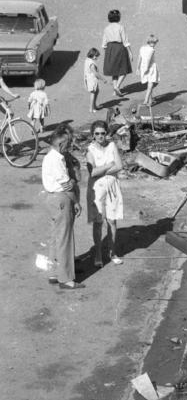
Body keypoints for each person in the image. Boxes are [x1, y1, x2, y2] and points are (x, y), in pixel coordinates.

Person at [42, 125, 82, 289]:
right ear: (61, 144)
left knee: (55, 237)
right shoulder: (57, 159)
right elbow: (67, 186)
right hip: (61, 199)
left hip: (50, 199)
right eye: (68, 143)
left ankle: (54, 272)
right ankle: (65, 278)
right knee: (65, 238)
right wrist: (76, 202)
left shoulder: (49, 157)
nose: (70, 146)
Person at [85, 119, 124, 267]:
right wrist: (109, 165)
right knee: (98, 222)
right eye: (97, 134)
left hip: (112, 188)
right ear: (93, 135)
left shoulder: (112, 145)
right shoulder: (90, 150)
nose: (100, 136)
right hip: (97, 189)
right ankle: (98, 254)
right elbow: (92, 172)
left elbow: (120, 165)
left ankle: (112, 252)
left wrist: (101, 169)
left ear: (106, 133)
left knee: (112, 221)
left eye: (103, 133)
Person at [101, 9, 131, 98]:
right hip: (119, 48)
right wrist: (130, 52)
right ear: (118, 18)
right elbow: (125, 41)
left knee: (114, 72)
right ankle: (117, 87)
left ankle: (115, 89)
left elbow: (104, 43)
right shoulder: (120, 27)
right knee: (123, 70)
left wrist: (107, 54)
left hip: (110, 49)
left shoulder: (106, 28)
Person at [137, 35, 159, 107]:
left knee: (149, 83)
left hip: (143, 67)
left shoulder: (142, 48)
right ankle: (146, 100)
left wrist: (138, 68)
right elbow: (148, 60)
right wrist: (146, 69)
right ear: (152, 42)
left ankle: (150, 101)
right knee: (151, 84)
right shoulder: (152, 50)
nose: (155, 44)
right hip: (150, 68)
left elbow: (139, 57)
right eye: (155, 43)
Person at [84, 48, 103, 112]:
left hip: (88, 79)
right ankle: (91, 108)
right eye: (96, 56)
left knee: (96, 91)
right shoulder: (91, 64)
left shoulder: (87, 60)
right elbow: (95, 73)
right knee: (93, 93)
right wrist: (103, 79)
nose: (97, 57)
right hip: (92, 80)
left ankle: (94, 106)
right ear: (92, 55)